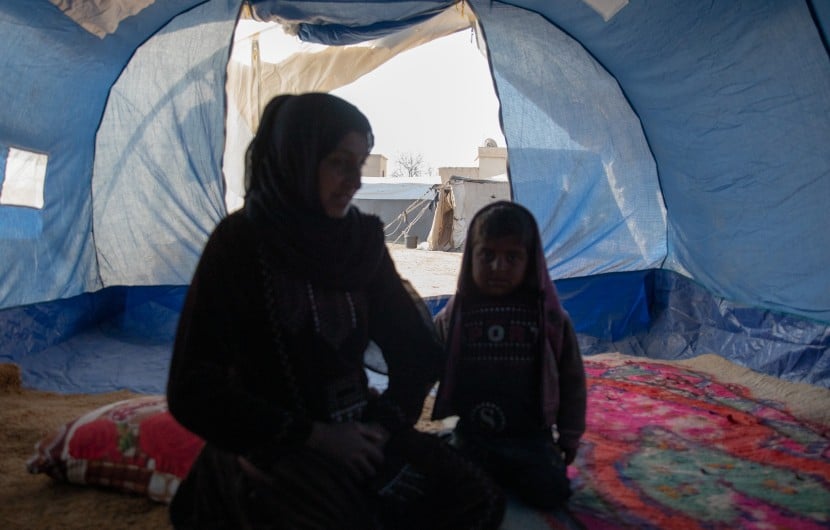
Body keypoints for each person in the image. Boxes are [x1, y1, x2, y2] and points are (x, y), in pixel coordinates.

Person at [166, 93, 505, 529]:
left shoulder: (358, 242)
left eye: (359, 165)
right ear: (298, 158)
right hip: (272, 440)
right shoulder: (240, 244)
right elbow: (192, 386)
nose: (354, 182)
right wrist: (314, 437)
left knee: (473, 498)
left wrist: (382, 427)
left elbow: (415, 351)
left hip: (357, 427)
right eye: (339, 163)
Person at [431, 200, 587, 510]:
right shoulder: (454, 318)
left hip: (529, 440)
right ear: (469, 258)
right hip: (473, 436)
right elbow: (422, 362)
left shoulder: (550, 320)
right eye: (486, 255)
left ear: (531, 262)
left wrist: (569, 436)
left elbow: (572, 380)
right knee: (438, 480)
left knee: (552, 491)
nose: (497, 267)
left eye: (512, 257)